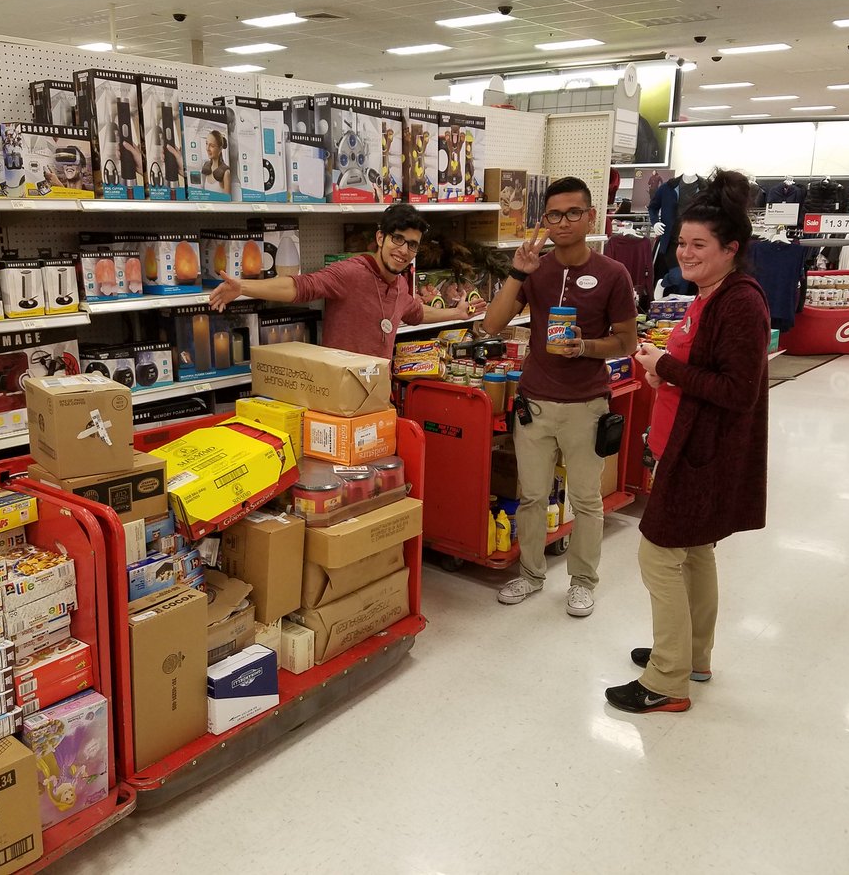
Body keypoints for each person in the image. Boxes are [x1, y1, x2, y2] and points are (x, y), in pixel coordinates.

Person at [605, 169, 770, 714]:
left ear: (731, 248)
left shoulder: (740, 302)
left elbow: (738, 391)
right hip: (686, 446)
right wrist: (664, 372)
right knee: (695, 552)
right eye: (682, 242)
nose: (686, 253)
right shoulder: (710, 294)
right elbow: (705, 370)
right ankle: (693, 656)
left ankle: (667, 679)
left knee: (657, 554)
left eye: (700, 244)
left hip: (701, 456)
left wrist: (669, 368)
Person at [483, 177, 638, 616]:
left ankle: (583, 581)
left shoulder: (613, 273)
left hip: (586, 405)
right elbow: (492, 325)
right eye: (554, 214)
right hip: (534, 403)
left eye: (573, 213)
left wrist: (585, 346)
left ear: (591, 216)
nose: (564, 222)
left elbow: (627, 341)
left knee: (586, 500)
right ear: (545, 220)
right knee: (532, 497)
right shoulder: (538, 269)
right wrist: (518, 271)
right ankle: (531, 575)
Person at [209, 203, 482, 358]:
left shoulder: (400, 285)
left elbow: (417, 312)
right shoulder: (350, 273)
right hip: (339, 394)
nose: (403, 250)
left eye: (412, 245)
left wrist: (457, 313)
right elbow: (300, 286)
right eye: (397, 239)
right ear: (380, 238)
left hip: (377, 393)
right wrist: (244, 287)